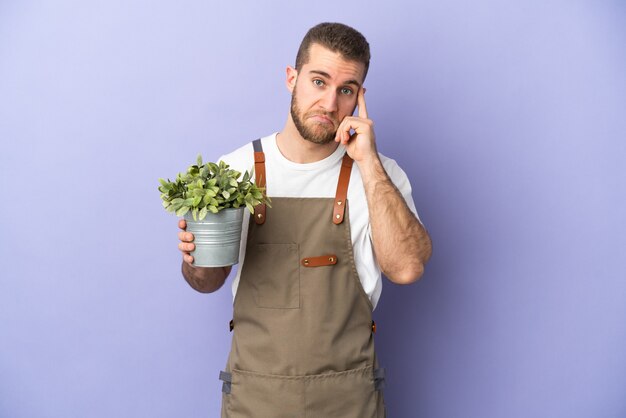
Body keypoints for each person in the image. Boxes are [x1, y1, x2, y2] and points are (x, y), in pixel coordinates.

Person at [177, 22, 432, 418]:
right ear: (291, 78)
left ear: (359, 98)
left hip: (350, 401)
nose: (330, 104)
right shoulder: (233, 170)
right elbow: (206, 283)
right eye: (318, 81)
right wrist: (195, 258)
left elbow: (407, 268)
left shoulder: (381, 177)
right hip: (254, 400)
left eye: (346, 89)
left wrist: (367, 162)